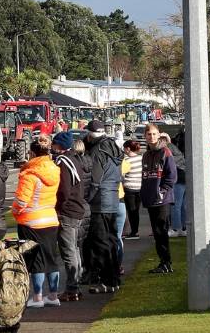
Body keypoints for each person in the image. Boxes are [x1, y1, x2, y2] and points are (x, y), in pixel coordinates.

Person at [12, 138, 62, 307]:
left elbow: (21, 201)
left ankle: (38, 296)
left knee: (36, 260)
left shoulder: (29, 175)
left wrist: (15, 212)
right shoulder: (55, 170)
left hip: (31, 221)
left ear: (32, 153)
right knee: (51, 257)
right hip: (50, 218)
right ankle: (53, 295)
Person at [82, 120, 124, 294]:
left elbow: (96, 180)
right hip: (113, 197)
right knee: (112, 240)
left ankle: (106, 280)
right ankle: (114, 279)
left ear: (91, 135)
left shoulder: (98, 151)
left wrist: (86, 199)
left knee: (102, 242)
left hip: (100, 201)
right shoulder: (113, 147)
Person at [50, 131, 89, 302]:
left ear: (58, 145)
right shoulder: (74, 159)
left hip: (68, 211)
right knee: (75, 249)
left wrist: (59, 207)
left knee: (68, 251)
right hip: (77, 208)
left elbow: (64, 189)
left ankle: (72, 288)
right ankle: (76, 285)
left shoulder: (62, 162)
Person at [140, 123, 178, 273]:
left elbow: (172, 176)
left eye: (154, 134)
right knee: (156, 233)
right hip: (150, 199)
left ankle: (166, 263)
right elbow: (146, 178)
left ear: (159, 135)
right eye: (149, 134)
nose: (151, 137)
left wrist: (162, 191)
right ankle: (163, 262)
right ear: (145, 136)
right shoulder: (146, 154)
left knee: (162, 231)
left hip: (162, 199)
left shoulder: (165, 152)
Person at [164, 133, 188, 236]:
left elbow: (168, 164)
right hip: (184, 177)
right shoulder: (175, 148)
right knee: (182, 205)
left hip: (177, 178)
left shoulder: (167, 148)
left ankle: (175, 228)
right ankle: (183, 228)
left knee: (175, 205)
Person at [121, 139, 143, 239]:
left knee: (130, 211)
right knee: (136, 210)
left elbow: (122, 175)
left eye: (124, 148)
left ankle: (134, 232)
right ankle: (135, 230)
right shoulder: (141, 158)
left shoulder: (126, 161)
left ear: (128, 149)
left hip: (129, 188)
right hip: (140, 188)